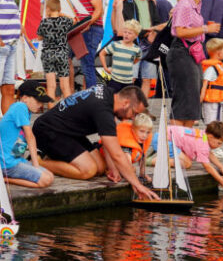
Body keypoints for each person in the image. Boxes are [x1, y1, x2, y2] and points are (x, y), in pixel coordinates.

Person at [30, 84, 158, 201]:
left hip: (68, 131)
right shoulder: (103, 111)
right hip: (48, 131)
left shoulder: (109, 94)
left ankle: (54, 157)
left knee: (101, 167)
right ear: (126, 103)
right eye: (134, 113)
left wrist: (113, 169)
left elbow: (109, 141)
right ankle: (39, 161)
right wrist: (137, 185)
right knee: (88, 170)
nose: (132, 118)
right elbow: (117, 155)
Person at [168, 0, 219, 126]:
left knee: (192, 95)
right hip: (181, 52)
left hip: (192, 51)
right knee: (185, 96)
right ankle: (178, 137)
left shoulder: (196, 3)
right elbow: (180, 31)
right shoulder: (185, 5)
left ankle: (186, 136)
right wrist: (205, 29)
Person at [0, 80, 55, 188]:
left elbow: (20, 141)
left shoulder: (26, 111)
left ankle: (2, 177)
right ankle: (1, 178)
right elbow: (30, 137)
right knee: (45, 180)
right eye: (37, 101)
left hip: (14, 160)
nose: (40, 105)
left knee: (50, 176)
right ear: (25, 98)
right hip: (6, 163)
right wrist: (36, 165)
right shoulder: (20, 107)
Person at [117, 0, 166, 96]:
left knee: (147, 78)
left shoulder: (150, 2)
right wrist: (147, 33)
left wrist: (153, 33)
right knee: (130, 78)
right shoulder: (128, 2)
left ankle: (142, 107)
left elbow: (156, 20)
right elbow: (130, 22)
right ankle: (128, 106)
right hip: (135, 44)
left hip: (149, 45)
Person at [163, 121, 223, 194]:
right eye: (219, 143)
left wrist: (221, 167)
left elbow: (209, 153)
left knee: (185, 158)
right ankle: (155, 160)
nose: (219, 146)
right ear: (211, 137)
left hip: (165, 135)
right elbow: (207, 167)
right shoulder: (202, 145)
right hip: (164, 141)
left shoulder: (204, 135)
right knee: (187, 163)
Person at [66, 0, 105, 89]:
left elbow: (99, 9)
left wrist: (87, 24)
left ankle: (92, 93)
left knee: (87, 64)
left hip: (91, 30)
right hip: (81, 31)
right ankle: (73, 90)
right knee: (67, 56)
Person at [37, 0, 75, 103]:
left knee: (51, 87)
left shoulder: (44, 22)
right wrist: (62, 14)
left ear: (48, 8)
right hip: (62, 54)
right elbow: (75, 20)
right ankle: (69, 113)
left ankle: (51, 115)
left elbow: (39, 37)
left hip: (48, 55)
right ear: (59, 8)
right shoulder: (65, 21)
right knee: (65, 87)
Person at [98, 20, 141, 92]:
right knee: (113, 100)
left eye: (130, 33)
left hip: (128, 82)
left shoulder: (137, 49)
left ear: (136, 36)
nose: (126, 34)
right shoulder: (115, 45)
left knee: (126, 101)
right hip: (115, 80)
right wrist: (105, 68)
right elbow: (102, 53)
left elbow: (137, 60)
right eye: (125, 32)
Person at [116, 113, 153, 183]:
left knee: (133, 169)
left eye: (148, 132)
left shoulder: (141, 140)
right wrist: (134, 179)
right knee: (132, 170)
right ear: (133, 130)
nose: (144, 135)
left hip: (122, 163)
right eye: (141, 131)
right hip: (110, 161)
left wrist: (143, 174)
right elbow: (127, 162)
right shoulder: (127, 142)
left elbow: (143, 156)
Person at [201, 38, 223, 124]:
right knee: (212, 125)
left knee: (216, 125)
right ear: (219, 53)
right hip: (211, 103)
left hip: (217, 102)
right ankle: (207, 138)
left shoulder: (219, 66)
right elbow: (204, 83)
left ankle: (211, 137)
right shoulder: (212, 68)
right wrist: (200, 99)